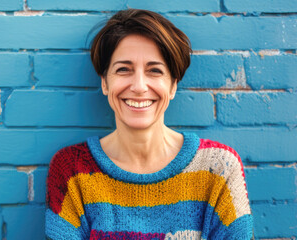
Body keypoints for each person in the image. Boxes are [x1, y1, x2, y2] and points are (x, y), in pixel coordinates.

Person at [45, 9, 253, 240]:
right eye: (123, 69)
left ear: (173, 85)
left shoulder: (218, 168)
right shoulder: (72, 170)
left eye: (155, 71)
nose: (139, 86)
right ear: (105, 82)